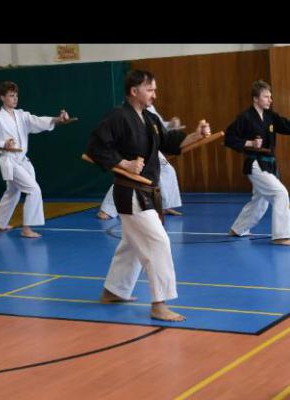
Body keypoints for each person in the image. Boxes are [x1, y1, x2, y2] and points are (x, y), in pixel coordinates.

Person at [86, 70, 211, 322]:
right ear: (134, 91)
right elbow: (95, 148)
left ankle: (113, 291)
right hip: (130, 192)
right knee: (158, 242)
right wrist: (124, 163)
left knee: (132, 244)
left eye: (154, 89)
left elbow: (171, 142)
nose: (154, 94)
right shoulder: (118, 117)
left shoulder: (150, 118)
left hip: (147, 191)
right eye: (150, 89)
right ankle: (159, 304)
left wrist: (196, 135)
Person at [223, 80, 290, 246]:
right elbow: (229, 138)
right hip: (255, 163)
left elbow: (287, 125)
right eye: (266, 97)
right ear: (255, 99)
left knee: (260, 201)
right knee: (280, 193)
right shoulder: (245, 117)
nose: (270, 100)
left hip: (269, 164)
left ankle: (238, 229)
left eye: (270, 96)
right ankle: (281, 236)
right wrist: (250, 143)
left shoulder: (270, 116)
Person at [0, 81, 71, 238]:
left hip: (22, 160)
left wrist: (58, 119)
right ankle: (26, 228)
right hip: (10, 160)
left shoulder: (21, 115)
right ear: (2, 97)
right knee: (34, 190)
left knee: (12, 192)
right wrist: (3, 144)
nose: (15, 98)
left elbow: (38, 121)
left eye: (16, 95)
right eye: (11, 95)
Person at [97, 106, 183, 220]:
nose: (153, 96)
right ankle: (107, 209)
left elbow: (158, 127)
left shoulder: (149, 107)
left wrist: (170, 125)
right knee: (130, 176)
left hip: (151, 145)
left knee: (167, 170)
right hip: (136, 145)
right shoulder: (129, 109)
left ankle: (164, 205)